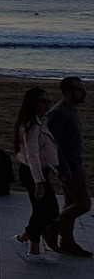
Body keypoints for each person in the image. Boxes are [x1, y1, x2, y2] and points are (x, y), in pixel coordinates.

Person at [48, 76, 93, 257]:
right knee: (83, 204)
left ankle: (67, 241)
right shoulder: (59, 113)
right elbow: (52, 143)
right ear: (68, 92)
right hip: (68, 167)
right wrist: (64, 168)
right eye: (79, 89)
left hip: (74, 165)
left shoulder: (71, 110)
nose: (83, 92)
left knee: (71, 202)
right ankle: (52, 227)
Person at [14, 87, 61, 262]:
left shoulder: (38, 121)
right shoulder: (31, 125)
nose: (47, 104)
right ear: (33, 103)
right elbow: (32, 155)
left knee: (40, 210)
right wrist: (39, 182)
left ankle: (34, 251)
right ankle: (22, 238)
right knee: (50, 211)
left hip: (37, 171)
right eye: (43, 101)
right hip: (33, 172)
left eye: (48, 101)